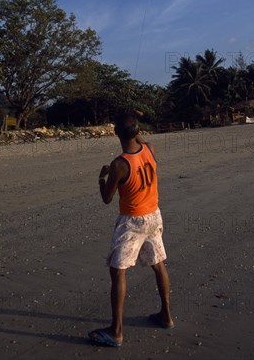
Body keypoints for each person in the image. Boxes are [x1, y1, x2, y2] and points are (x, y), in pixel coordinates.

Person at [88, 113, 173, 347]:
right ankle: (166, 314)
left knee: (118, 271)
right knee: (158, 264)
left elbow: (107, 198)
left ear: (116, 134)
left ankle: (116, 331)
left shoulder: (119, 164)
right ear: (137, 131)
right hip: (154, 215)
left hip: (132, 221)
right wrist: (135, 130)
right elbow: (141, 142)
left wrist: (101, 179)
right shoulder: (150, 149)